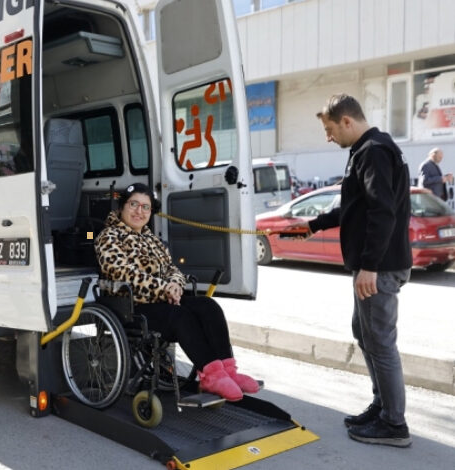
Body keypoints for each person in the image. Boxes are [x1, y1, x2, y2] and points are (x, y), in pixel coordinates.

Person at [286, 94, 412, 447]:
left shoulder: (372, 151)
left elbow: (382, 212)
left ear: (346, 121)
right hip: (378, 266)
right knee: (365, 332)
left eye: (329, 129)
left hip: (380, 268)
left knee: (380, 343)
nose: (328, 137)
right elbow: (354, 209)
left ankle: (394, 424)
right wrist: (310, 226)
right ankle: (383, 405)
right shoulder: (369, 150)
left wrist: (370, 266)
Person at [94, 183, 259, 401]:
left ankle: (228, 371)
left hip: (161, 300)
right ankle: (212, 376)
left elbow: (172, 269)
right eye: (133, 204)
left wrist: (174, 285)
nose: (139, 211)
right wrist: (163, 288)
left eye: (146, 207)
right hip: (132, 305)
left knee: (208, 306)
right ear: (122, 206)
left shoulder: (151, 239)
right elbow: (122, 273)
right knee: (181, 316)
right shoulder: (108, 236)